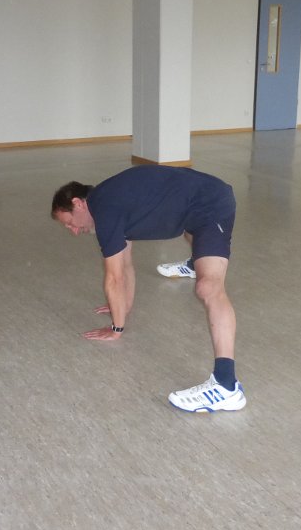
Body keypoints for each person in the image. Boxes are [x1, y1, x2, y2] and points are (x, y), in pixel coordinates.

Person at [51, 165, 245, 413]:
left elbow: (114, 277)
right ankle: (196, 263)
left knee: (208, 288)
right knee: (191, 233)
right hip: (192, 205)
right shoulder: (110, 203)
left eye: (70, 223)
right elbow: (125, 265)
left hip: (210, 202)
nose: (74, 231)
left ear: (78, 204)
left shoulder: (105, 209)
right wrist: (122, 306)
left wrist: (116, 329)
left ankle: (226, 387)